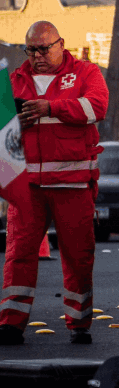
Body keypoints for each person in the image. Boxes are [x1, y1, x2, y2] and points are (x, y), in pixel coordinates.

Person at [0, 21, 109, 346]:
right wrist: (11, 120)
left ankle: (79, 324)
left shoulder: (87, 73)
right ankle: (11, 323)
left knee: (78, 256)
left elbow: (96, 106)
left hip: (73, 183)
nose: (37, 56)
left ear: (61, 44)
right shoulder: (15, 81)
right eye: (30, 50)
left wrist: (53, 107)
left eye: (43, 49)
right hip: (27, 187)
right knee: (19, 254)